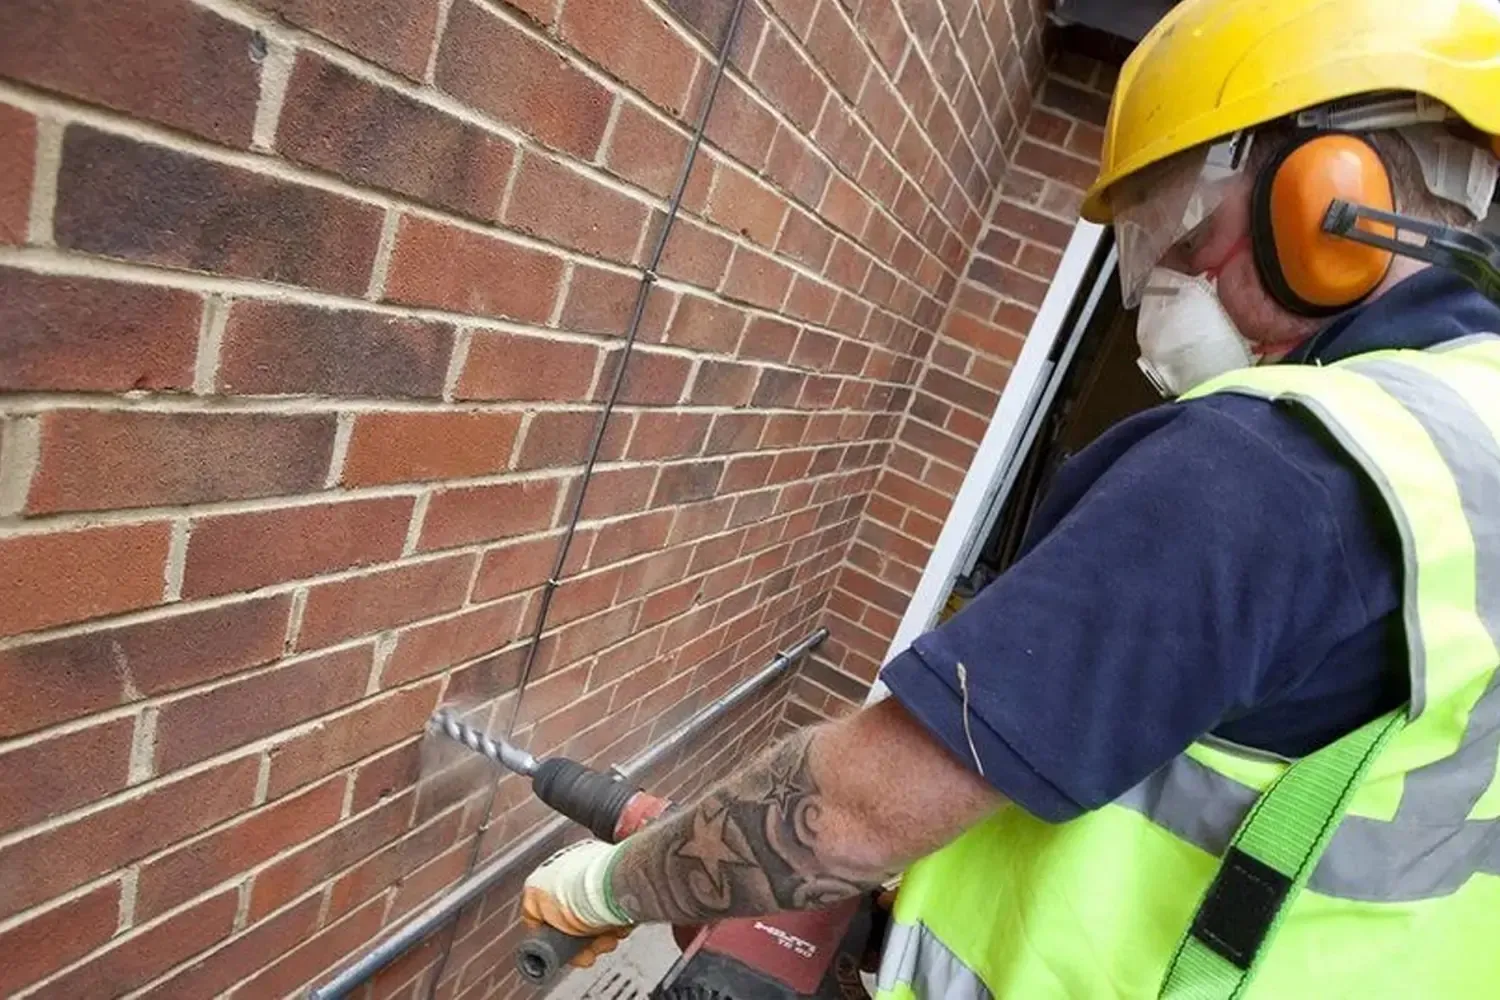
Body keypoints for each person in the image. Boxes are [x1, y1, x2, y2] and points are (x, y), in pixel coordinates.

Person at [523, 0, 1500, 995]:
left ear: (1328, 195)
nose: (1177, 273)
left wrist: (604, 887)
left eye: (1191, 218)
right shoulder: (1470, 456)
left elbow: (850, 813)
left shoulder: (1273, 464)